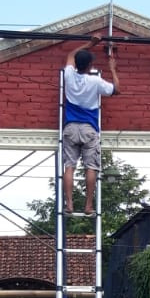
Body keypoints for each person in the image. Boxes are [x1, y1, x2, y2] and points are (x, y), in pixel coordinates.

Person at [62, 36, 120, 216]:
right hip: (89, 129)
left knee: (69, 167)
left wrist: (91, 43)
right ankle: (88, 206)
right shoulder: (95, 81)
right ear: (89, 67)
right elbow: (116, 89)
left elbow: (71, 54)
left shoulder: (68, 75)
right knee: (91, 167)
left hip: (70, 128)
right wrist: (112, 69)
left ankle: (69, 204)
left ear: (76, 64)